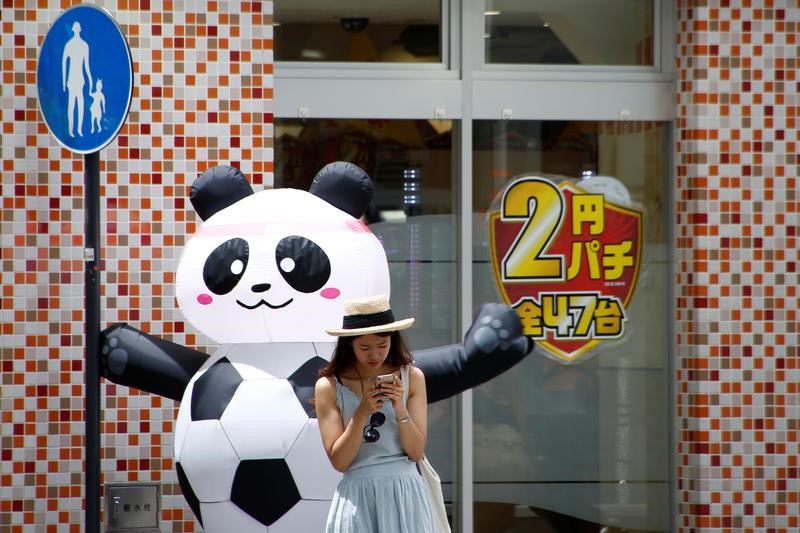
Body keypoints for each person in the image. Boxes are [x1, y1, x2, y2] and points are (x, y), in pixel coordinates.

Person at [315, 294, 434, 532]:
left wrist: (399, 406)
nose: (375, 354)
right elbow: (339, 461)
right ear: (350, 344)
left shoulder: (412, 377)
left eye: (382, 345)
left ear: (393, 340)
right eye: (365, 347)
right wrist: (361, 413)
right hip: (358, 494)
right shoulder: (329, 386)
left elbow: (416, 451)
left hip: (405, 490)